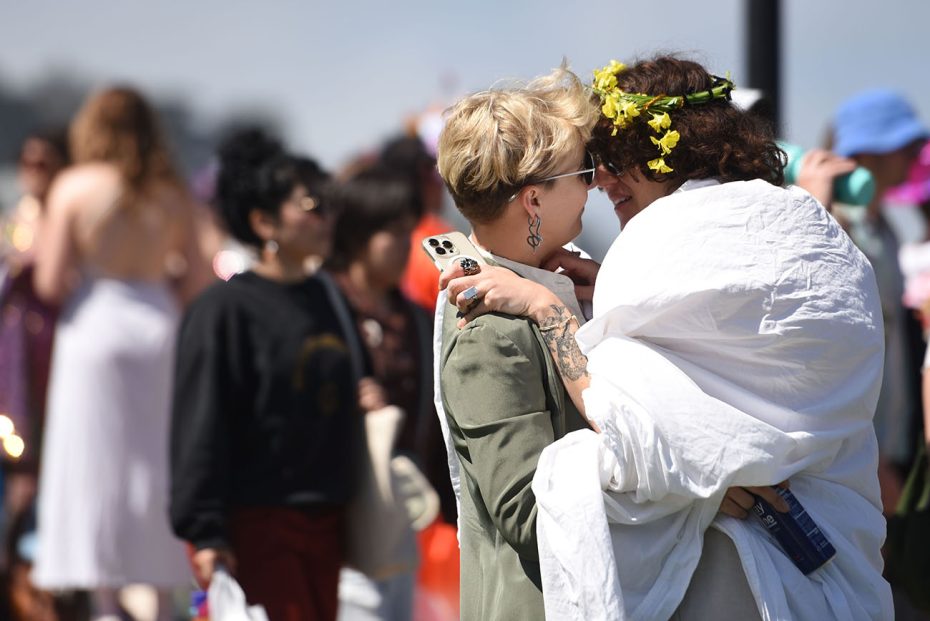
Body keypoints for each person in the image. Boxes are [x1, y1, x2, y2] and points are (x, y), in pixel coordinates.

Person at [442, 56, 893, 619]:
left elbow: (643, 431)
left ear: (664, 150)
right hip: (825, 558)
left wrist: (552, 310)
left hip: (730, 576)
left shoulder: (656, 245)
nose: (600, 180)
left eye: (610, 160)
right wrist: (705, 484)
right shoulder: (808, 223)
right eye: (587, 167)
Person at [31, 87, 210, 621]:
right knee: (154, 465)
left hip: (95, 324)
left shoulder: (74, 187)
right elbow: (199, 276)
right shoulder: (173, 192)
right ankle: (156, 597)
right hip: (156, 323)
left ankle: (106, 601)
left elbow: (46, 279)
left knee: (93, 463)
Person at [432, 66, 602, 621]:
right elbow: (532, 514)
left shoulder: (541, 294)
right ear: (533, 201)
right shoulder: (490, 331)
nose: (594, 185)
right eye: (585, 170)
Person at [169, 129, 361, 621]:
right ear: (263, 221)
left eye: (329, 203)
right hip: (257, 525)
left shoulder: (330, 298)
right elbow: (200, 423)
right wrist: (206, 532)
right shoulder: (224, 310)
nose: (326, 217)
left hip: (331, 525)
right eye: (312, 204)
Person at [325, 166, 433, 621]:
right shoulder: (322, 306)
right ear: (356, 234)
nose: (405, 245)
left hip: (398, 511)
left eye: (409, 232)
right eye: (393, 233)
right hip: (340, 513)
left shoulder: (415, 316)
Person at [830, 90, 928, 515]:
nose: (914, 155)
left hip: (891, 442)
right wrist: (873, 457)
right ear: (870, 151)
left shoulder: (883, 227)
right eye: (904, 145)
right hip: (860, 453)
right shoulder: (832, 227)